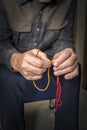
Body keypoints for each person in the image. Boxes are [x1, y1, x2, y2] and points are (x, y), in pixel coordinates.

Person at [0, 0, 81, 130]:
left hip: (49, 59)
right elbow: (1, 40)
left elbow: (64, 38)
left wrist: (66, 52)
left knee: (71, 72)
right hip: (13, 58)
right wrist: (16, 60)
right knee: (6, 79)